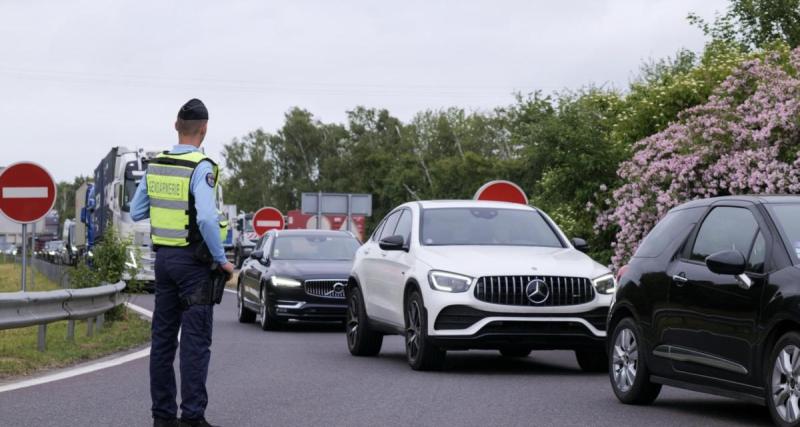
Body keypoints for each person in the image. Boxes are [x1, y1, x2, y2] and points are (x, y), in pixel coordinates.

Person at [130, 98, 234, 427]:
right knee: (195, 342)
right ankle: (192, 417)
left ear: (176, 126)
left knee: (162, 341)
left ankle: (162, 417)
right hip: (193, 264)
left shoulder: (156, 164)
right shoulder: (201, 167)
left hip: (163, 261)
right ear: (204, 129)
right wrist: (222, 260)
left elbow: (136, 211)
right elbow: (205, 218)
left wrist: (168, 210)